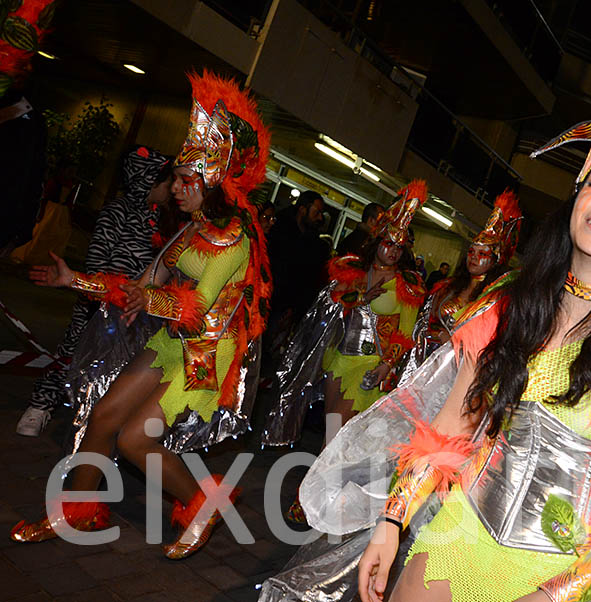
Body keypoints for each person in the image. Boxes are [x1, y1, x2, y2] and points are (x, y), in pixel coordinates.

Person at [260, 26, 591, 602]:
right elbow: (450, 426)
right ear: (576, 196)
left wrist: (550, 597)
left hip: (564, 583)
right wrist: (392, 521)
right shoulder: (508, 307)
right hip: (455, 538)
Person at [10, 71, 272, 559]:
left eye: (185, 180)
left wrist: (149, 301)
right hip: (172, 339)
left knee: (133, 440)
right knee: (104, 415)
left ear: (211, 182)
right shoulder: (188, 230)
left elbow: (200, 305)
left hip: (204, 352)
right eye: (175, 178)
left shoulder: (232, 238)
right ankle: (79, 511)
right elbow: (142, 284)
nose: (175, 187)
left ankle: (205, 502)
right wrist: (76, 282)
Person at [16, 147, 174, 437]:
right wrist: (104, 291)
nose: (171, 189)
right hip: (98, 303)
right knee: (73, 355)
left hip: (132, 312)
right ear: (148, 181)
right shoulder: (118, 211)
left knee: (112, 369)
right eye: (166, 183)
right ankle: (39, 407)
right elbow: (96, 263)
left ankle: (91, 420)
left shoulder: (161, 219)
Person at [262, 181, 429, 448]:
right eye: (388, 243)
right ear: (377, 241)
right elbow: (333, 300)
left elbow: (405, 334)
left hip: (369, 363)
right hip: (337, 359)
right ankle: (332, 483)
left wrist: (386, 365)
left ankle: (319, 485)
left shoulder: (407, 285)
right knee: (333, 434)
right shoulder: (353, 269)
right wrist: (361, 296)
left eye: (399, 246)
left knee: (334, 433)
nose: (394, 250)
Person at [413, 190, 521, 359]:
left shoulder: (497, 300)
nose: (474, 257)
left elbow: (493, 347)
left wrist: (452, 343)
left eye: (482, 254)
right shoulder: (446, 287)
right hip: (426, 361)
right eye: (471, 251)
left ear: (496, 260)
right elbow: (423, 323)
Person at [0, 0, 51, 257]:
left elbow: (32, 180)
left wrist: (20, 231)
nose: (28, 68)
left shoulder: (29, 120)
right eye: (19, 61)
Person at [268, 190, 330, 324]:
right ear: (302, 209)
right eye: (316, 212)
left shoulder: (313, 242)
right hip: (270, 300)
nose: (320, 218)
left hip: (288, 309)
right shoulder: (280, 232)